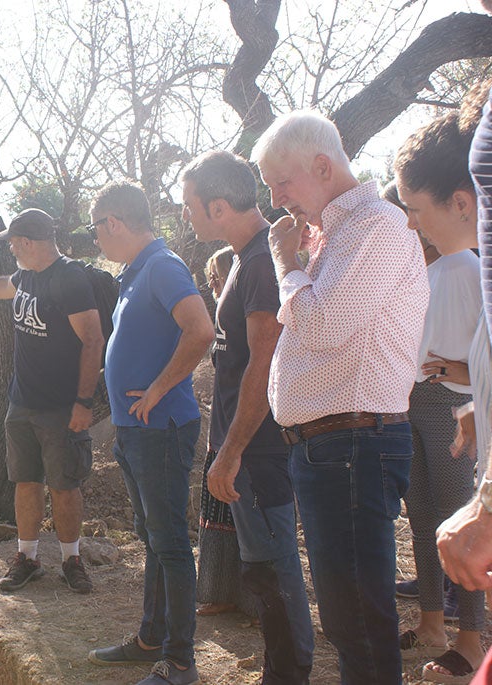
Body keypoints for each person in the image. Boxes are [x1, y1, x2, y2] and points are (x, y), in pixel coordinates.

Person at [252, 110, 428, 685]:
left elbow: (324, 325)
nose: (278, 200)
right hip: (333, 445)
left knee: (356, 617)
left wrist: (287, 265)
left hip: (353, 442)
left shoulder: (374, 225)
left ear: (322, 166)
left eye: (282, 183)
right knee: (348, 615)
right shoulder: (339, 233)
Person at [182, 150, 314, 684]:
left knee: (274, 573)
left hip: (258, 453)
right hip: (245, 449)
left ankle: (288, 675)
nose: (186, 217)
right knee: (263, 572)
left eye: (190, 206)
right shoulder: (244, 257)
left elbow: (265, 361)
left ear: (218, 207)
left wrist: (231, 452)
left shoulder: (260, 262)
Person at [86, 181, 214, 685]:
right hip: (136, 431)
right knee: (154, 539)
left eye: (96, 228)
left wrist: (159, 388)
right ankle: (149, 639)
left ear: (113, 223)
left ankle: (180, 662)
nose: (95, 238)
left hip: (161, 429)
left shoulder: (162, 267)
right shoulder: (134, 274)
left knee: (170, 543)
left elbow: (200, 330)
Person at [0, 208, 103, 595]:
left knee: (64, 487)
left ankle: (72, 560)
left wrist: (84, 402)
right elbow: (5, 284)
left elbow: (93, 340)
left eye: (15, 242)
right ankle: (28, 558)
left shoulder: (69, 279)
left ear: (29, 243)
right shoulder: (27, 274)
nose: (12, 248)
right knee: (26, 482)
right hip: (21, 404)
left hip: (61, 407)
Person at [395, 110, 488, 684]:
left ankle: (472, 639)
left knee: (467, 525)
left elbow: (477, 356)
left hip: (457, 408)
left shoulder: (476, 267)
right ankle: (433, 622)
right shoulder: (432, 270)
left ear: (459, 201)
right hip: (419, 404)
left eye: (415, 209)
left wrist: (461, 376)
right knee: (426, 518)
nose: (410, 224)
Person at [194, 243, 254, 619]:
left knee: (243, 511)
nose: (213, 283)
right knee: (219, 511)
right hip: (222, 419)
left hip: (241, 423)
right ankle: (222, 593)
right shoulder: (221, 315)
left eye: (218, 276)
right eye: (212, 277)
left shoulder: (243, 314)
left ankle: (251, 598)